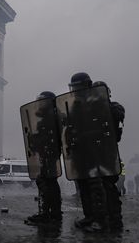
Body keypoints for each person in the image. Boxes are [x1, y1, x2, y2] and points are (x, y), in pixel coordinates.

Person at [64, 73, 111, 233]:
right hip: (80, 153)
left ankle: (100, 220)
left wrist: (83, 135)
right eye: (73, 88)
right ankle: (89, 216)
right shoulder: (77, 105)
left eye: (77, 87)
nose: (75, 91)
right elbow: (71, 127)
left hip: (94, 152)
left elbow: (103, 127)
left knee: (95, 187)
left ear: (86, 86)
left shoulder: (96, 103)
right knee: (83, 186)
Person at [23, 91, 62, 225]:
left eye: (42, 102)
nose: (39, 105)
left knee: (46, 182)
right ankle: (54, 214)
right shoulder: (50, 118)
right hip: (48, 155)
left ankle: (46, 215)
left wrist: (35, 140)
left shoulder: (52, 119)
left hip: (49, 156)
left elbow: (49, 139)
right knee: (50, 182)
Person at [93, 80, 125, 231]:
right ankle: (104, 219)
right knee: (100, 188)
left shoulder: (113, 108)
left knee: (108, 187)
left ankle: (114, 220)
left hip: (108, 154)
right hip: (97, 154)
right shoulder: (92, 110)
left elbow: (118, 112)